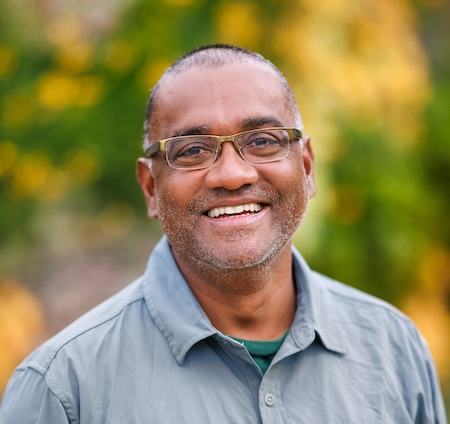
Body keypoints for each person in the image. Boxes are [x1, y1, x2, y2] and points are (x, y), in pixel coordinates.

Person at [0, 44, 446, 423]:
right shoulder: (64, 389)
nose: (232, 174)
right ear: (151, 187)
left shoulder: (393, 348)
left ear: (307, 168)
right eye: (192, 150)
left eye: (264, 140)